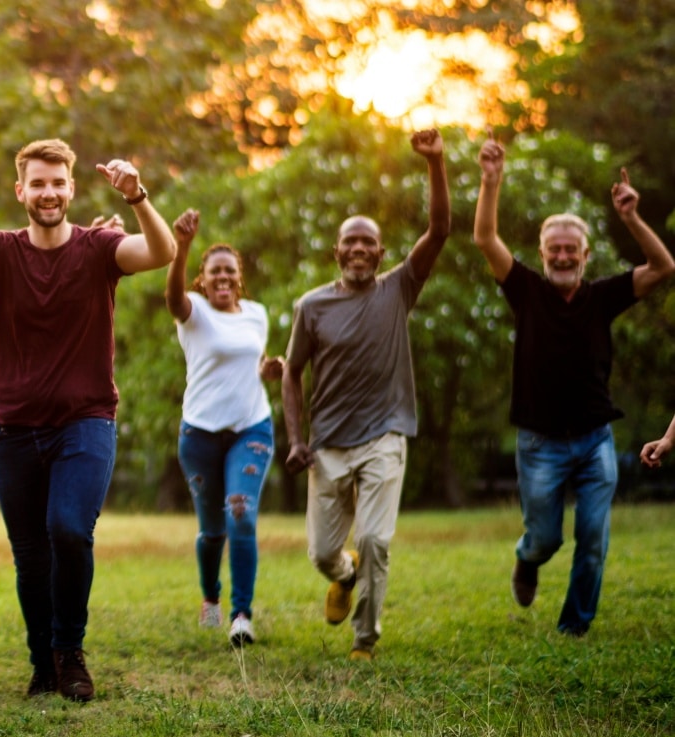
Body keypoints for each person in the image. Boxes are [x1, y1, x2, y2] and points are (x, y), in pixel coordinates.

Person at [0, 112, 178, 701]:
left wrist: (137, 195)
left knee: (68, 529)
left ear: (71, 188)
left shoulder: (100, 248)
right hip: (11, 430)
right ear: (21, 191)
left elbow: (160, 252)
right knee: (31, 554)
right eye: (37, 183)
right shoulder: (0, 252)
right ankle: (43, 663)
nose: (49, 193)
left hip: (84, 422)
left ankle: (70, 651)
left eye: (58, 182)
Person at [475, 139, 674, 636]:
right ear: (542, 254)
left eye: (571, 249)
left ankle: (575, 626)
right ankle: (527, 559)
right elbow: (484, 238)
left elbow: (664, 267)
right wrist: (491, 179)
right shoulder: (525, 290)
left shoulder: (603, 296)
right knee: (544, 539)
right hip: (539, 442)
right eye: (554, 249)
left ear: (585, 254)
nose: (563, 256)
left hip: (593, 438)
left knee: (592, 537)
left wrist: (630, 217)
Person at [282, 129, 449, 662]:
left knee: (376, 538)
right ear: (337, 252)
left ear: (380, 252)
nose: (358, 249)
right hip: (328, 443)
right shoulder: (312, 306)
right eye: (349, 242)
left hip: (385, 434)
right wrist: (295, 438)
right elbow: (291, 373)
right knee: (323, 553)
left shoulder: (399, 288)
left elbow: (440, 230)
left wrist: (436, 163)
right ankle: (344, 575)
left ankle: (365, 639)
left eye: (367, 242)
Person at [164, 210, 284, 648]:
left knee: (241, 515)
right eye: (215, 271)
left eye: (230, 271)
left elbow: (251, 363)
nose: (223, 277)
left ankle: (241, 615)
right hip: (199, 436)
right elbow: (173, 298)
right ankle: (210, 597)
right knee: (212, 530)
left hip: (251, 427)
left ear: (239, 278)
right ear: (202, 278)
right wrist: (181, 246)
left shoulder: (256, 314)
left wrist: (268, 369)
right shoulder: (192, 313)